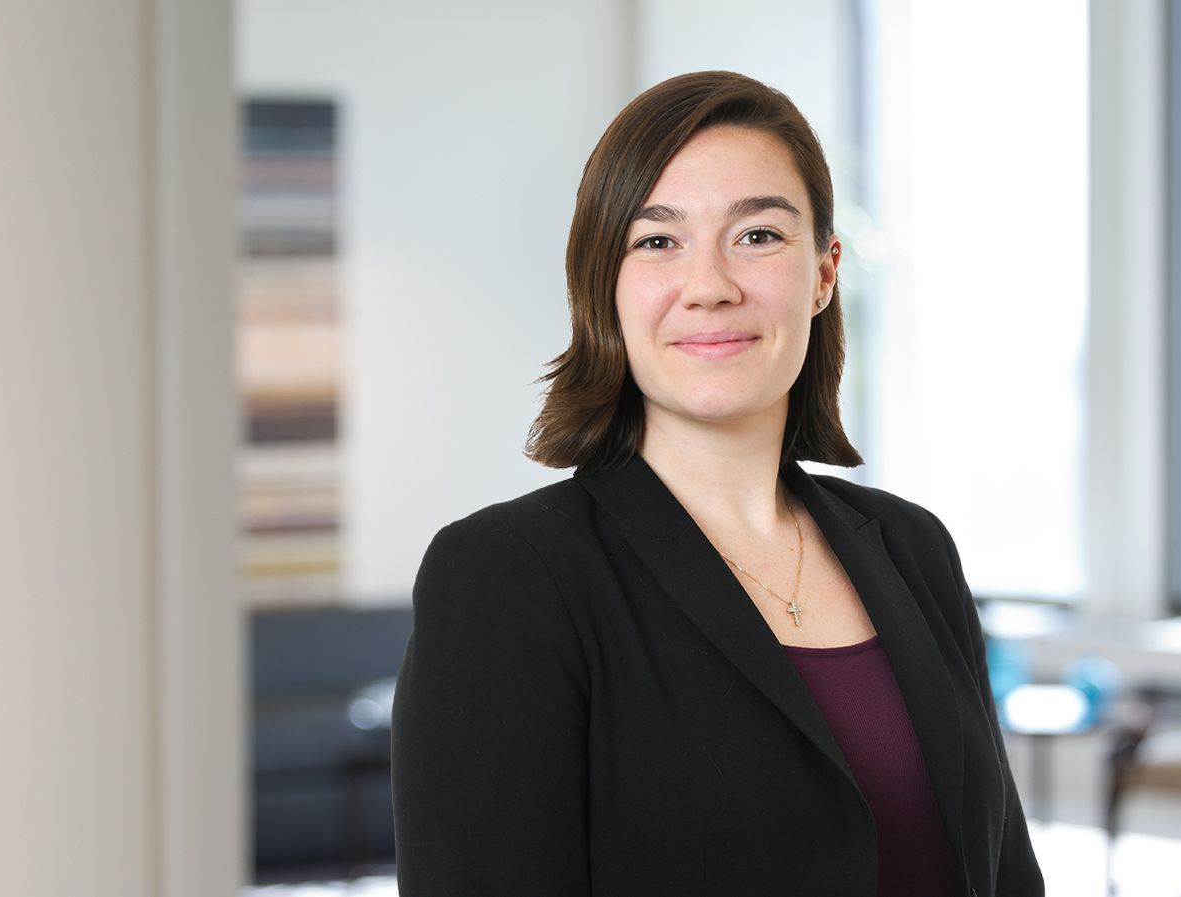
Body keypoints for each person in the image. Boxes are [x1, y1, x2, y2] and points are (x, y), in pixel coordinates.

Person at [391, 70, 1045, 897]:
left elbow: (1004, 874)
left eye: (758, 235)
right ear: (603, 283)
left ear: (824, 273)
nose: (710, 287)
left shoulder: (914, 549)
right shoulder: (507, 573)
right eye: (657, 241)